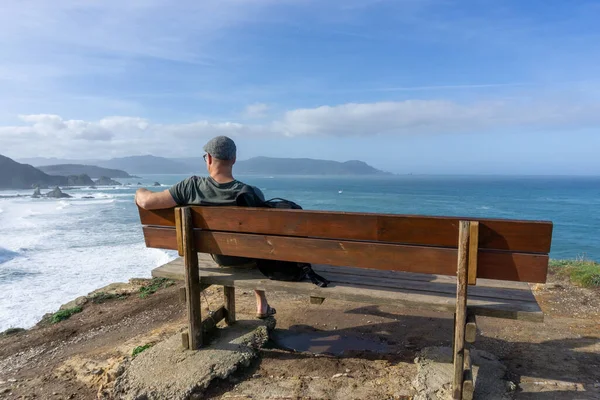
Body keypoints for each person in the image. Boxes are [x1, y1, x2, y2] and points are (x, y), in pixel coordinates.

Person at [135, 136, 275, 319]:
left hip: (218, 257)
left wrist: (140, 191)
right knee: (252, 248)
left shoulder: (190, 187)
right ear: (233, 159)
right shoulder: (251, 192)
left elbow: (147, 202)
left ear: (208, 158)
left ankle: (260, 304)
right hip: (248, 258)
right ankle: (261, 304)